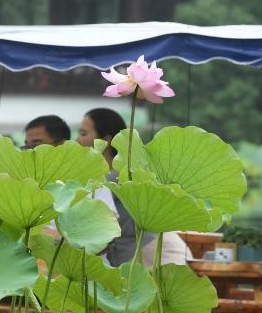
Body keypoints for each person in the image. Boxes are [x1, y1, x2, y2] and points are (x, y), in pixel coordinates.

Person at [77, 108, 192, 267]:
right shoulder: (108, 176)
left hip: (158, 253)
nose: (77, 140)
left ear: (106, 139)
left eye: (83, 134)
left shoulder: (117, 177)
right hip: (135, 257)